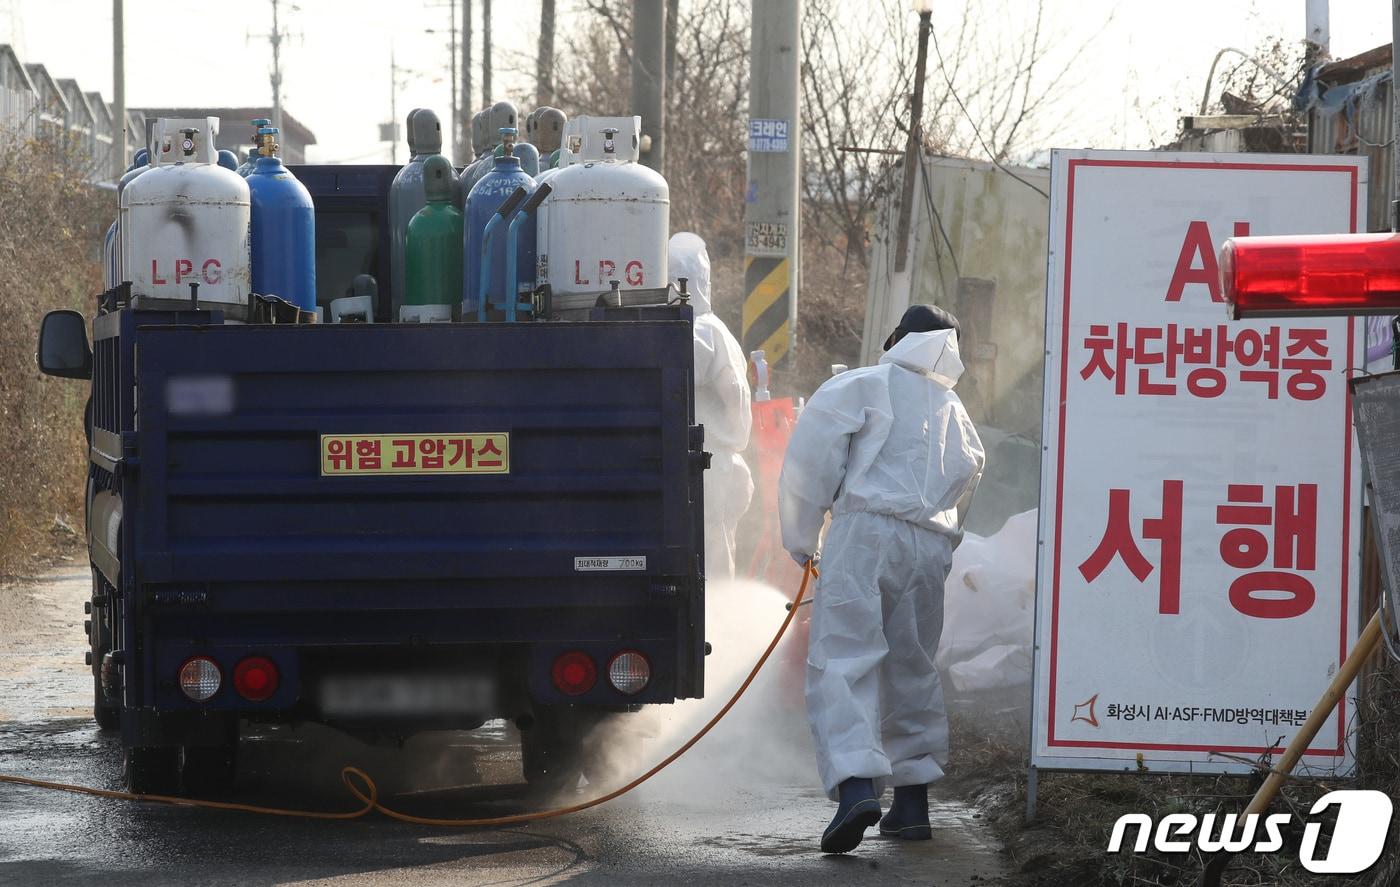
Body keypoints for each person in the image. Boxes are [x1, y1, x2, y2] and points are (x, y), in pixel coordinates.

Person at [778, 304, 984, 854]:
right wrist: (940, 546)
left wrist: (803, 540)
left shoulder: (861, 385)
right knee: (911, 665)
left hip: (865, 533)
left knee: (845, 658)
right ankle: (912, 806)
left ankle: (856, 791)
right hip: (929, 544)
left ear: (896, 339)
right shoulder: (956, 412)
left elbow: (810, 463)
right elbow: (966, 487)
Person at [668, 232, 754, 583]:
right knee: (715, 549)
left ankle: (714, 630)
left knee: (708, 556)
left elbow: (670, 366)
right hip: (719, 459)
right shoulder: (715, 328)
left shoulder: (698, 331)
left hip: (707, 461)